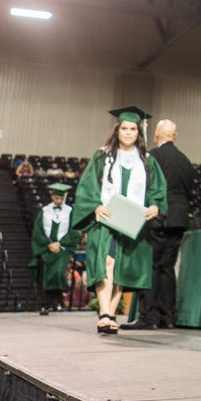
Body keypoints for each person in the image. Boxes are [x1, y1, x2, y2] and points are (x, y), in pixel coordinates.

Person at [73, 106, 168, 336]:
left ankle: (111, 314)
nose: (128, 133)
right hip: (106, 218)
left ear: (139, 132)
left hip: (132, 221)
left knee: (122, 268)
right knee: (106, 263)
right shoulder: (102, 155)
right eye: (124, 128)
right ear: (117, 131)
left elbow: (158, 189)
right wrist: (95, 206)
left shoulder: (147, 160)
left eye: (133, 129)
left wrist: (156, 206)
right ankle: (104, 313)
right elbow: (88, 186)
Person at [128, 119, 194, 331]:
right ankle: (168, 317)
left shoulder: (152, 156)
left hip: (157, 217)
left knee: (151, 266)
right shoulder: (185, 160)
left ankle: (149, 317)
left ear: (157, 135)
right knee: (167, 268)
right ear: (175, 136)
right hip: (179, 219)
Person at [31, 183, 81, 315]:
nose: (57, 200)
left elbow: (75, 231)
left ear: (64, 196)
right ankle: (44, 304)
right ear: (52, 196)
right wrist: (48, 244)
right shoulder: (44, 211)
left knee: (58, 274)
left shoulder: (70, 211)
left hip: (62, 249)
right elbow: (38, 231)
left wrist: (60, 243)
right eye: (55, 197)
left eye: (60, 198)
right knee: (44, 276)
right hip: (46, 249)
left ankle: (57, 301)